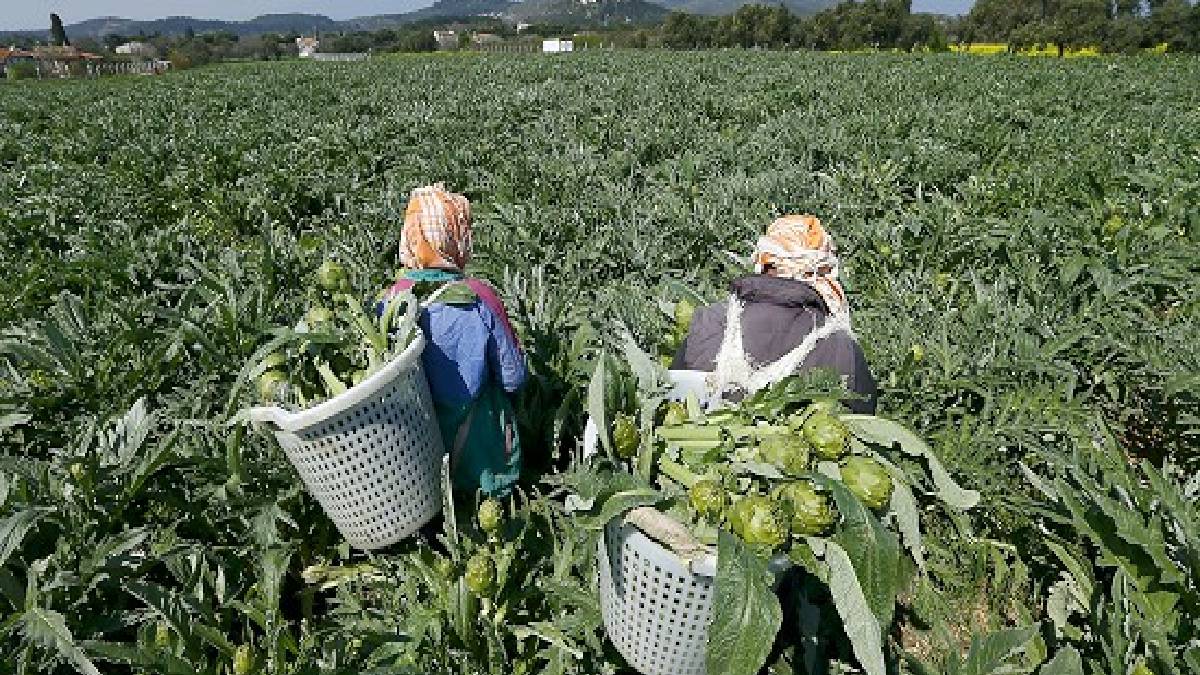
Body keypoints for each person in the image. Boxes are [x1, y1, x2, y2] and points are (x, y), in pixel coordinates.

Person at [379, 184, 526, 497]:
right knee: (491, 513)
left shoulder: (389, 303)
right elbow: (514, 378)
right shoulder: (479, 297)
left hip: (415, 447)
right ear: (456, 239)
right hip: (481, 447)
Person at [672, 215, 877, 414]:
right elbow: (865, 421)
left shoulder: (707, 324)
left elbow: (671, 397)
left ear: (764, 263)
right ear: (823, 271)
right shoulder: (840, 346)